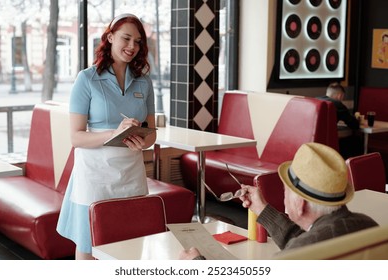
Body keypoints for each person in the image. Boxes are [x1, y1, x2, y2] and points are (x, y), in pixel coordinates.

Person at [57, 13, 156, 260]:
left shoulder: (144, 83)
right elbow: (76, 137)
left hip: (131, 173)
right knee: (89, 246)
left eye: (138, 41)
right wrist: (114, 133)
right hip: (94, 176)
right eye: (126, 38)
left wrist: (143, 141)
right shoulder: (86, 79)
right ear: (110, 37)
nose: (132, 46)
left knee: (130, 242)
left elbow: (151, 133)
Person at [180, 142, 378, 260]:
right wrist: (262, 209)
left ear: (301, 204)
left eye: (286, 189)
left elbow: (302, 247)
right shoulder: (369, 226)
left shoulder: (296, 257)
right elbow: (304, 240)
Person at [317, 82, 362, 158]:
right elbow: (354, 125)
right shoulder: (337, 104)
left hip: (312, 142)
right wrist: (357, 119)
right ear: (340, 96)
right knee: (356, 141)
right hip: (327, 144)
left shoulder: (316, 100)